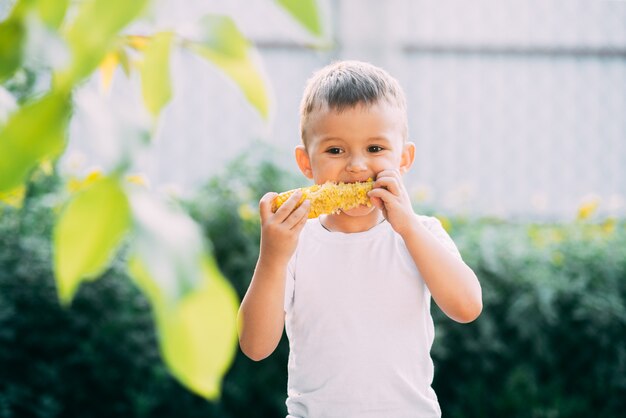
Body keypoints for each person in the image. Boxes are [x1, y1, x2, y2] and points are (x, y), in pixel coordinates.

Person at [237, 60, 482, 418]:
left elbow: (467, 306)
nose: (356, 166)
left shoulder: (420, 233)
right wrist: (272, 257)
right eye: (335, 150)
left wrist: (409, 228)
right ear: (306, 164)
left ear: (404, 158)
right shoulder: (295, 242)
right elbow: (255, 347)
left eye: (375, 149)